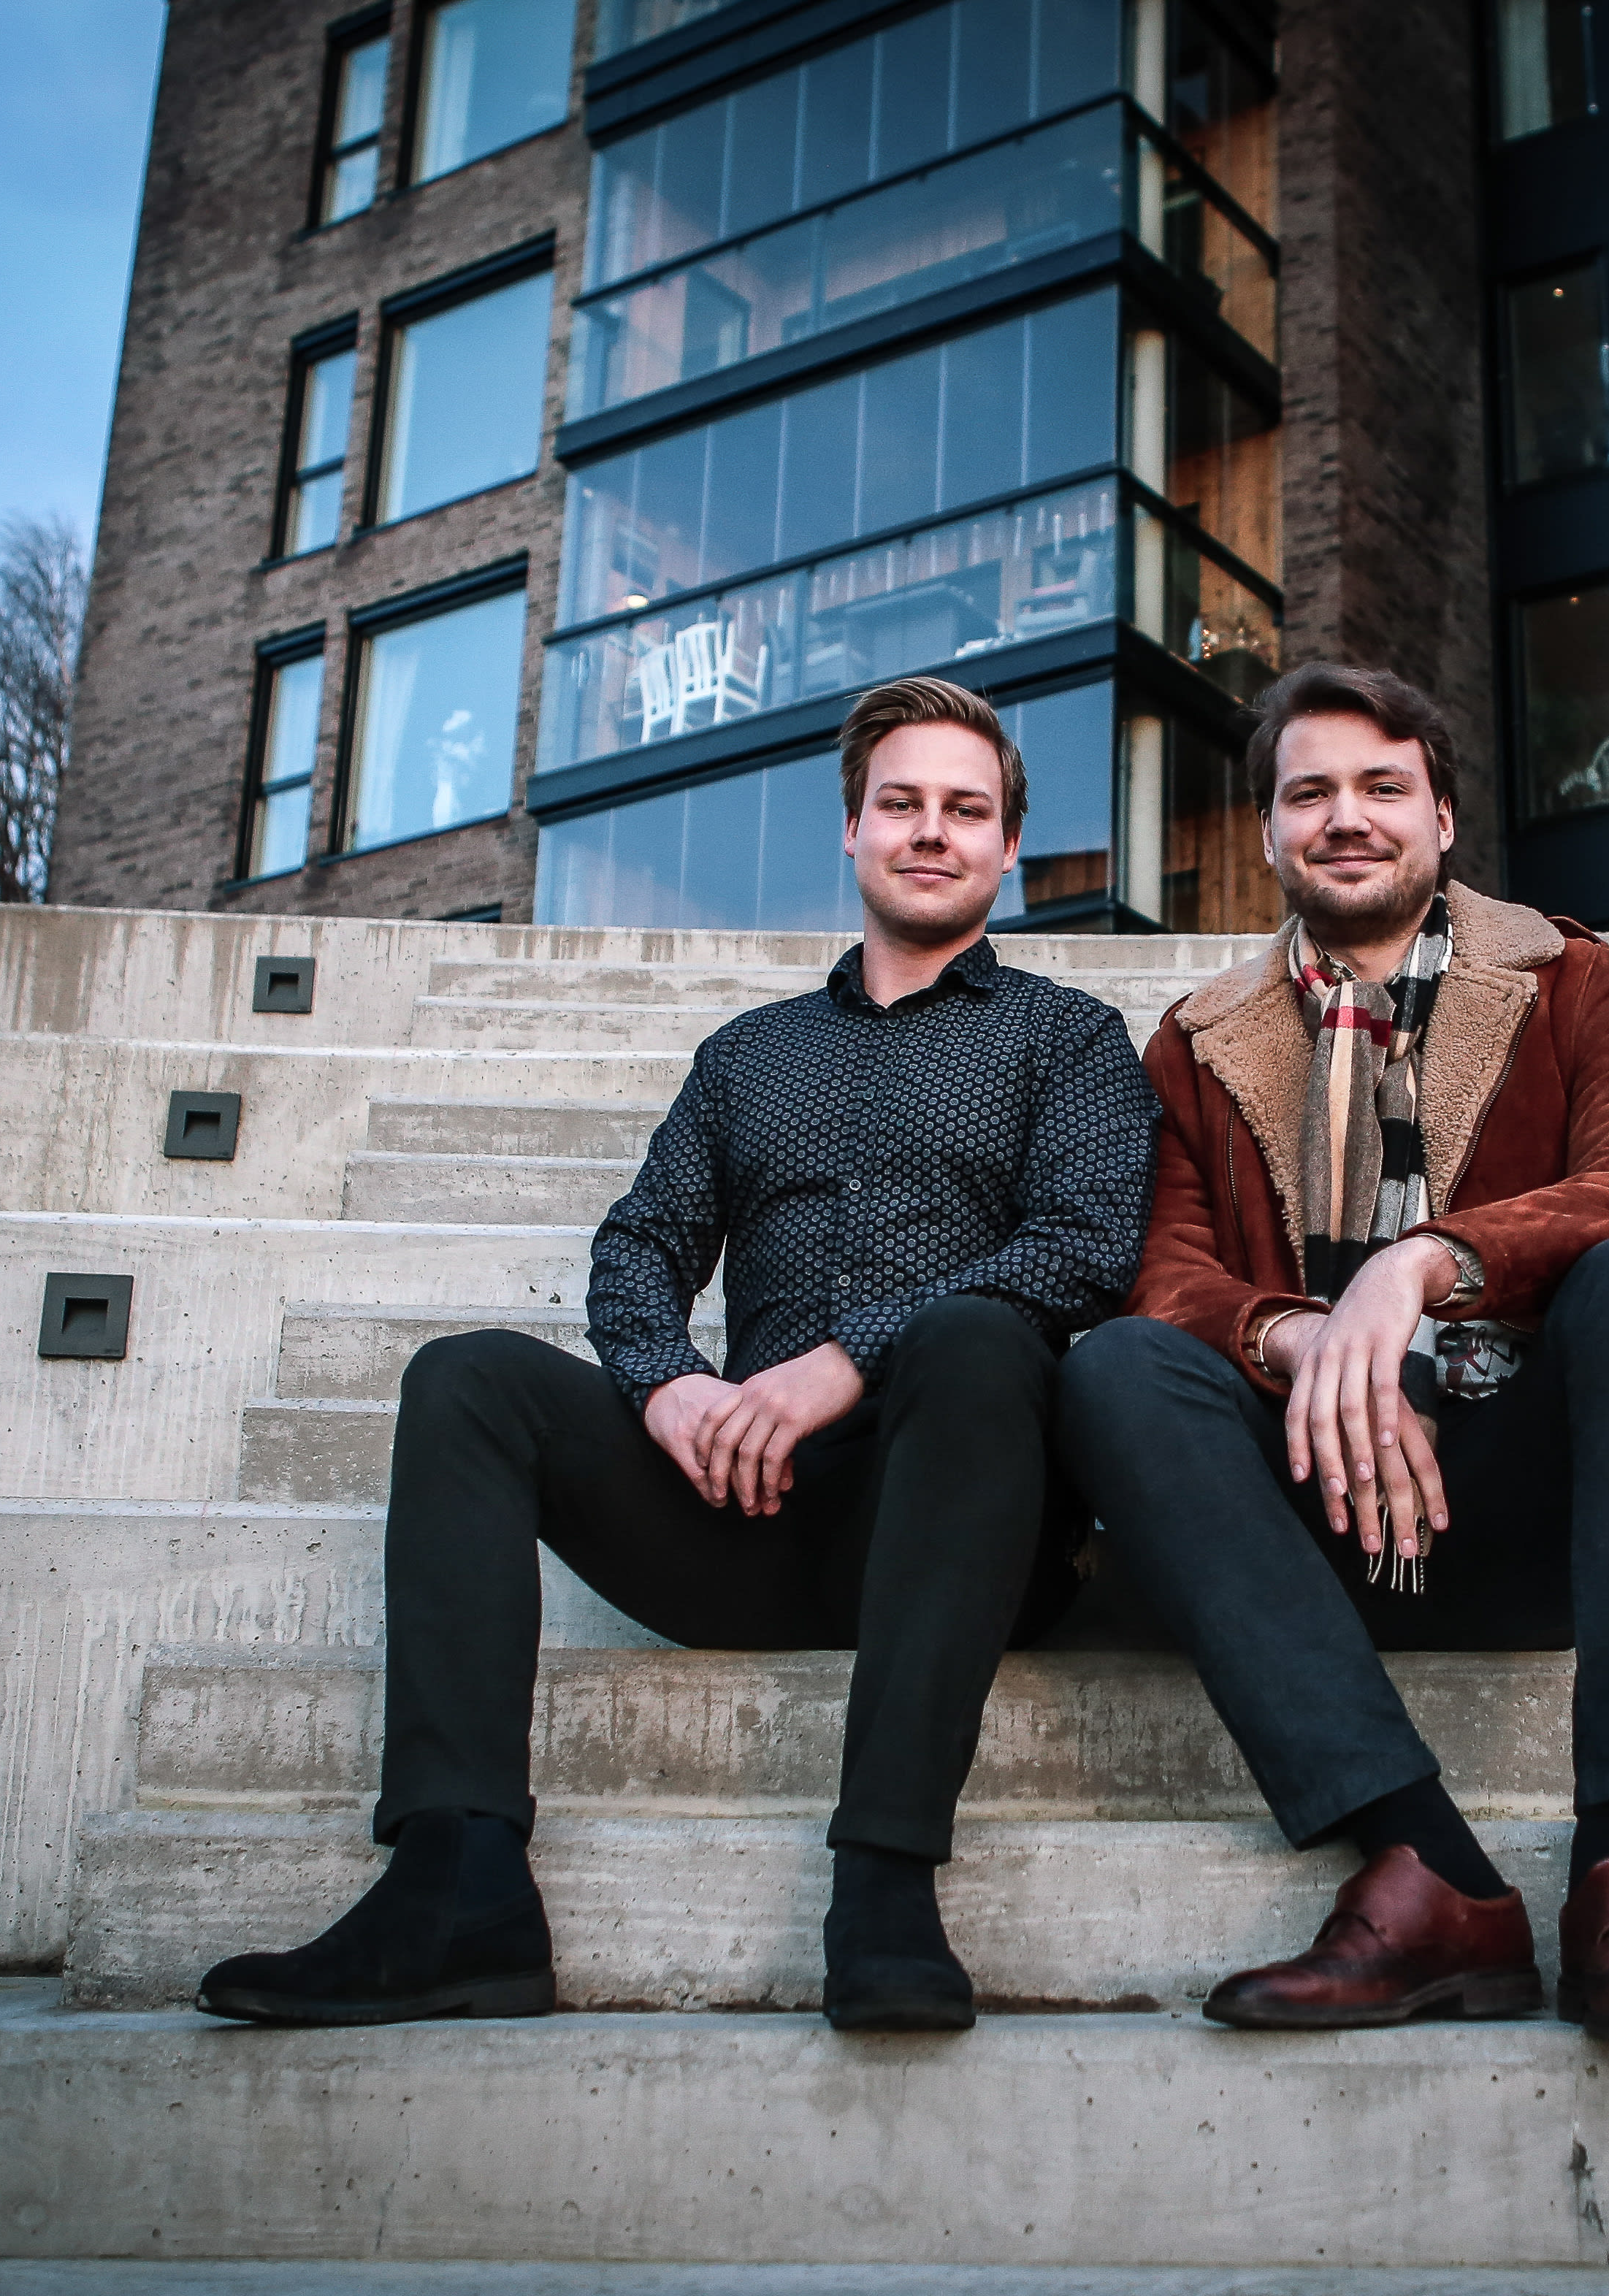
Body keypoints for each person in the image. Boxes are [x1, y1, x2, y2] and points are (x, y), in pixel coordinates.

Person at [199, 676, 1159, 2034]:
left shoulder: (1068, 1039)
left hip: (967, 1530)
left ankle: (884, 1886)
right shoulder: (748, 1056)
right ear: (853, 829)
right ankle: (458, 1888)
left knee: (975, 1338)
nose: (931, 831)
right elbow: (640, 1244)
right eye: (901, 804)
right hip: (751, 1519)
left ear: (1009, 848)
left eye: (966, 810)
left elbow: (1084, 1247)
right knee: (466, 1379)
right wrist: (668, 1385)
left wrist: (846, 1360)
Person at [1058, 662, 1609, 2043]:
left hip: (1535, 1505)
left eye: (1383, 787)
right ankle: (1430, 1873)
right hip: (1311, 1519)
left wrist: (1421, 1264)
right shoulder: (1195, 1044)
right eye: (1310, 792)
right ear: (1269, 833)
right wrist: (1302, 1331)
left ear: (1440, 818)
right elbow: (1163, 1275)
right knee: (1115, 1369)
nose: (1347, 817)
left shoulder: (1573, 982)